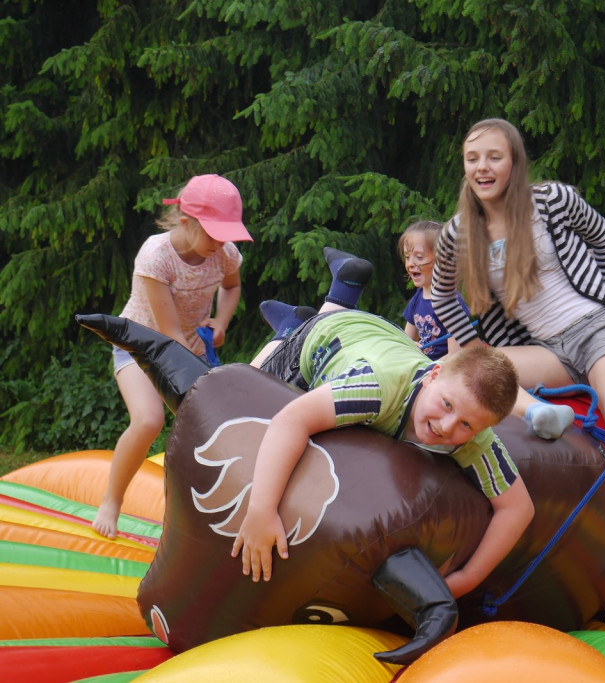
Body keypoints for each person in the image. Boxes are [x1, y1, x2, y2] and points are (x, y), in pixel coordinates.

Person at [430, 118, 605, 627]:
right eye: (473, 159)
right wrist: (475, 345)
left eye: (494, 157)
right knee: (466, 371)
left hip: (598, 331)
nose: (483, 168)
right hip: (544, 348)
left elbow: (604, 239)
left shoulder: (551, 201)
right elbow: (440, 293)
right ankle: (539, 411)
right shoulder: (459, 232)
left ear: (514, 161)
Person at [235, 283, 534, 600]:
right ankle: (291, 324)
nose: (447, 427)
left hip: (381, 340)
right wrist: (261, 510)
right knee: (259, 390)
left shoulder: (474, 435)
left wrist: (467, 578)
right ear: (433, 374)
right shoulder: (377, 388)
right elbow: (292, 419)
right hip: (325, 339)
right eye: (446, 404)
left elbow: (518, 508)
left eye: (466, 424)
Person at [92, 174, 251, 539]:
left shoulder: (223, 252)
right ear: (186, 223)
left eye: (227, 232)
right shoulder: (156, 256)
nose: (222, 241)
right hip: (140, 345)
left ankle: (197, 519)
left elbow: (232, 285)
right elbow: (170, 335)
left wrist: (221, 321)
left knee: (206, 435)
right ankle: (111, 501)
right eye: (214, 232)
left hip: (189, 349)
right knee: (148, 421)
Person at [399, 220, 469, 360]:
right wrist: (410, 347)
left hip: (444, 373)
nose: (410, 263)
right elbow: (405, 341)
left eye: (419, 257)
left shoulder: (451, 302)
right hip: (424, 367)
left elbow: (455, 356)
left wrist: (426, 367)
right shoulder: (418, 298)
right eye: (407, 257)